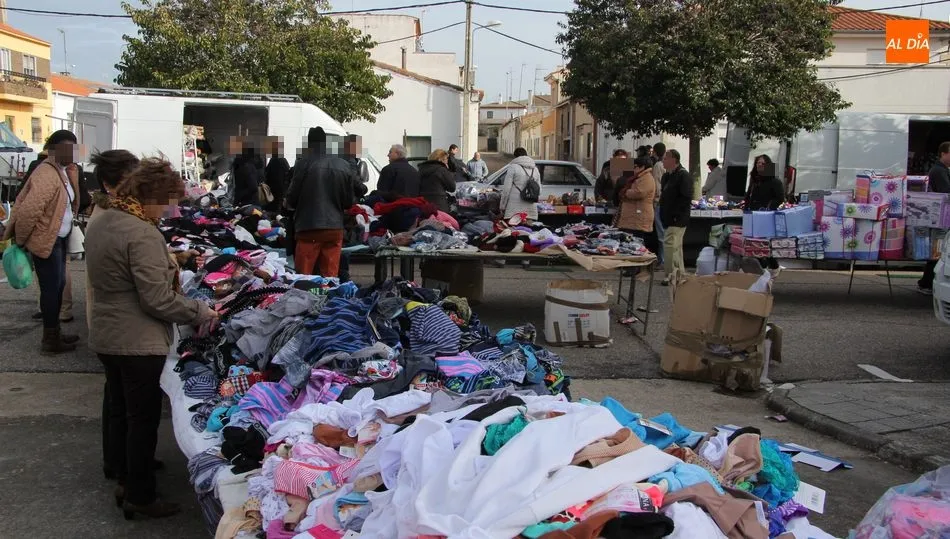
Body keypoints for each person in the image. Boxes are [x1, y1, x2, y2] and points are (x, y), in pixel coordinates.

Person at [85, 156, 217, 519]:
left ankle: (123, 475)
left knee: (119, 408)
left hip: (107, 331)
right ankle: (140, 497)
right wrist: (198, 311)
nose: (172, 210)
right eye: (169, 202)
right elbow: (156, 299)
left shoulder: (103, 220)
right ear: (151, 196)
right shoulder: (141, 231)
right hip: (136, 339)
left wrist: (170, 259)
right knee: (141, 418)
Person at [2, 129, 81, 353]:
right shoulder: (46, 173)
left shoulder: (65, 171)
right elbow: (29, 212)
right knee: (51, 289)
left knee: (58, 287)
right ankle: (50, 339)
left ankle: (54, 332)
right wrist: (23, 241)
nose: (72, 153)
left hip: (58, 238)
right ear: (52, 150)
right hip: (46, 240)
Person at [24, 146, 89, 324]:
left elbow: (26, 202)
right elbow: (84, 199)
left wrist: (22, 237)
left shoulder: (41, 166)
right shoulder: (70, 168)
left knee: (49, 280)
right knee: (57, 277)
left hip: (49, 232)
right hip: (58, 231)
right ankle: (60, 317)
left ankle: (51, 320)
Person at [286, 127, 357, 277]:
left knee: (303, 278)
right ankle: (327, 296)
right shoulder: (343, 165)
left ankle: (306, 298)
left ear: (308, 143)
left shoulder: (302, 164)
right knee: (330, 277)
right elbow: (349, 202)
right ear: (326, 142)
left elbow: (292, 198)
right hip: (334, 228)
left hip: (308, 227)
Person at [919, 141, 950, 295]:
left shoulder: (942, 170)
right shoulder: (939, 171)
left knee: (938, 251)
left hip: (941, 217)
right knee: (938, 251)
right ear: (943, 153)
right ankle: (927, 283)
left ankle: (926, 283)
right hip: (941, 218)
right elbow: (946, 190)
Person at [659, 149, 693, 284]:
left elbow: (685, 197)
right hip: (668, 217)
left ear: (674, 160)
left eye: (665, 158)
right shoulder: (667, 176)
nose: (663, 161)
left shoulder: (683, 176)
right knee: (676, 247)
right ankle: (679, 273)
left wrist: (675, 215)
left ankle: (670, 274)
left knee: (670, 245)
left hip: (677, 218)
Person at [615, 156, 658, 254]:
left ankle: (637, 268)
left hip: (639, 217)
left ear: (642, 167)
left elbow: (639, 193)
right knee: (629, 244)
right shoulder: (637, 177)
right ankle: (631, 267)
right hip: (632, 217)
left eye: (635, 167)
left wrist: (625, 192)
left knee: (637, 245)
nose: (633, 169)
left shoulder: (646, 178)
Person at [500, 147, 539, 221]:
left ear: (515, 156)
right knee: (529, 231)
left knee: (514, 230)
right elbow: (539, 190)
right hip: (531, 207)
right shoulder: (535, 169)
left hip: (514, 208)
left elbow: (506, 189)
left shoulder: (513, 167)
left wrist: (502, 206)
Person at [418, 149, 457, 213]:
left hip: (423, 204)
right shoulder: (441, 170)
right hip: (439, 205)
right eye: (446, 159)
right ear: (440, 159)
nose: (447, 161)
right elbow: (452, 187)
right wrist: (448, 172)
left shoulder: (421, 169)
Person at [232, 137, 264, 207]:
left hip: (240, 200)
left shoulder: (238, 165)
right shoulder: (248, 166)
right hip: (249, 202)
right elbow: (253, 187)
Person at [264, 136, 290, 212]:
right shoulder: (282, 160)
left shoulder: (274, 160)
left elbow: (267, 173)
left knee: (273, 209)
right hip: (279, 190)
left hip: (274, 190)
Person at [651, 142, 667, 266]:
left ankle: (662, 260)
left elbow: (657, 185)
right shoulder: (666, 165)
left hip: (659, 202)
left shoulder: (657, 166)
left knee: (661, 233)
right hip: (666, 201)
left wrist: (655, 199)